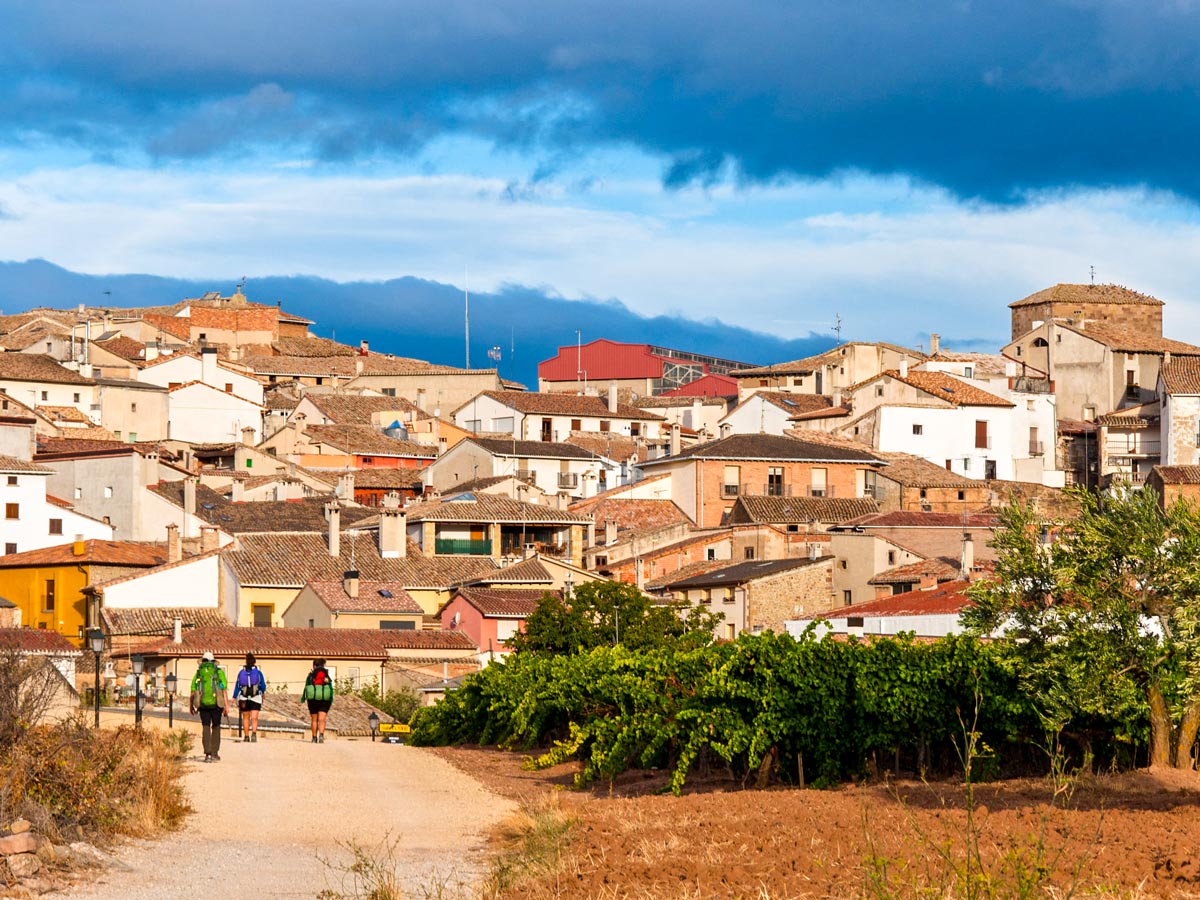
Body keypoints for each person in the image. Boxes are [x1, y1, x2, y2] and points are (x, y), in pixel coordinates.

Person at [189, 651, 229, 763]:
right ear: (213, 661)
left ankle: (208, 754)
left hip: (202, 705)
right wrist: (226, 706)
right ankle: (215, 752)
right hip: (217, 704)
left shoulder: (198, 673)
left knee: (205, 727)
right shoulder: (219, 672)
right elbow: (224, 689)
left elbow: (193, 690)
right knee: (216, 726)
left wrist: (191, 706)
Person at [232, 653, 267, 742]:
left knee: (246, 717)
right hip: (256, 697)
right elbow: (262, 685)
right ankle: (254, 734)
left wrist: (234, 697)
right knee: (254, 718)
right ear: (254, 662)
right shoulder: (258, 673)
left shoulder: (241, 672)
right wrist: (263, 692)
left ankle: (246, 736)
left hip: (243, 698)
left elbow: (237, 685)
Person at [302, 658, 334, 743]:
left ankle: (314, 738)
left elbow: (306, 687)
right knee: (322, 719)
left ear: (314, 665)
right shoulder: (326, 676)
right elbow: (330, 688)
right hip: (324, 699)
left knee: (314, 719)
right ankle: (321, 736)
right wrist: (331, 699)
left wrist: (303, 698)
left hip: (313, 700)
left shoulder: (311, 675)